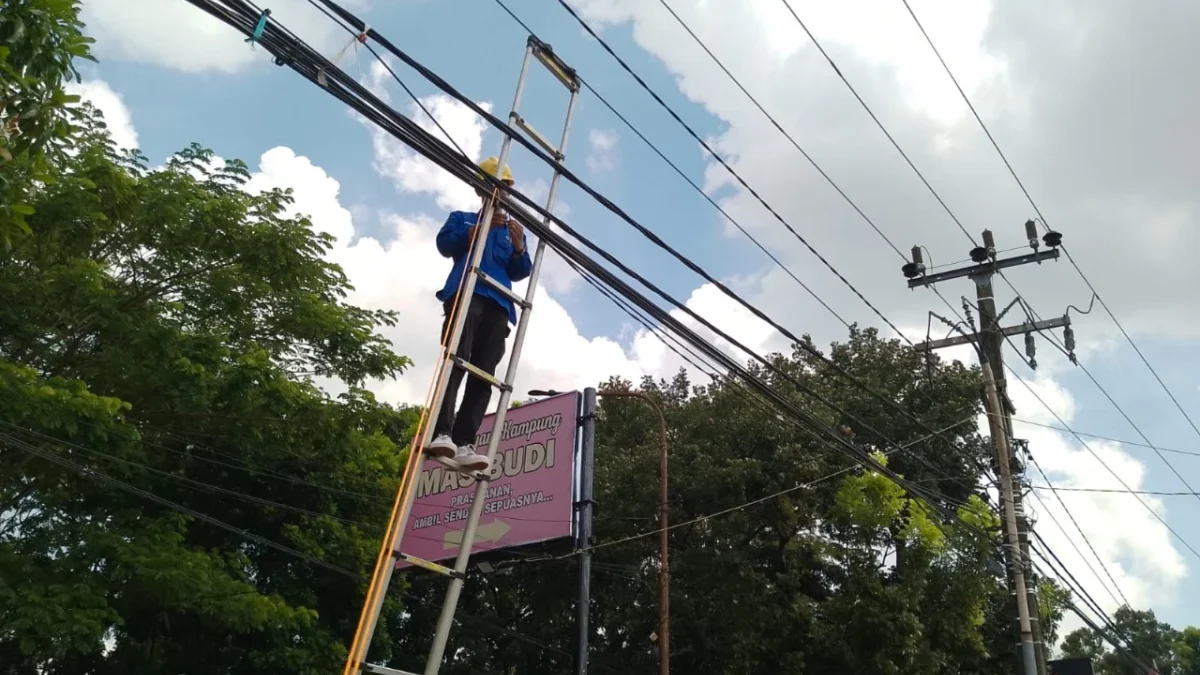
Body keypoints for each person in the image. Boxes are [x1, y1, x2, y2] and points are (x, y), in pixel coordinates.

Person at [426, 157, 532, 471]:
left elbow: (520, 270)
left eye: (507, 189)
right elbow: (445, 244)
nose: (503, 194)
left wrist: (518, 248)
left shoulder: (512, 231)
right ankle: (441, 431)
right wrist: (476, 232)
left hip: (499, 302)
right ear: (481, 188)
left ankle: (464, 442)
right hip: (467, 291)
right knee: (457, 360)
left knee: (483, 373)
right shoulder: (463, 219)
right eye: (497, 186)